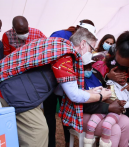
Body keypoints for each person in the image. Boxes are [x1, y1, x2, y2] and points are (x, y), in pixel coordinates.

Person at [0, 27, 112, 147]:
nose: (92, 53)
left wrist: (88, 91)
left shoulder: (57, 46)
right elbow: (73, 95)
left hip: (11, 89)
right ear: (83, 44)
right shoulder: (65, 55)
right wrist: (100, 96)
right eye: (91, 49)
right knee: (38, 132)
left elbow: (62, 89)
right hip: (16, 95)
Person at [43, 19, 96, 147]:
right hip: (52, 82)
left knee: (66, 114)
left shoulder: (77, 46)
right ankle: (51, 143)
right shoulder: (60, 36)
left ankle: (68, 141)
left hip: (66, 83)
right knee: (49, 116)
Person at [83, 56, 129, 147]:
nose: (89, 69)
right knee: (114, 129)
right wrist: (108, 107)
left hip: (101, 109)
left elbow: (105, 91)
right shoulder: (75, 78)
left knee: (126, 122)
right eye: (85, 66)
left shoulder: (95, 73)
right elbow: (82, 104)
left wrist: (114, 103)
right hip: (84, 113)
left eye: (90, 65)